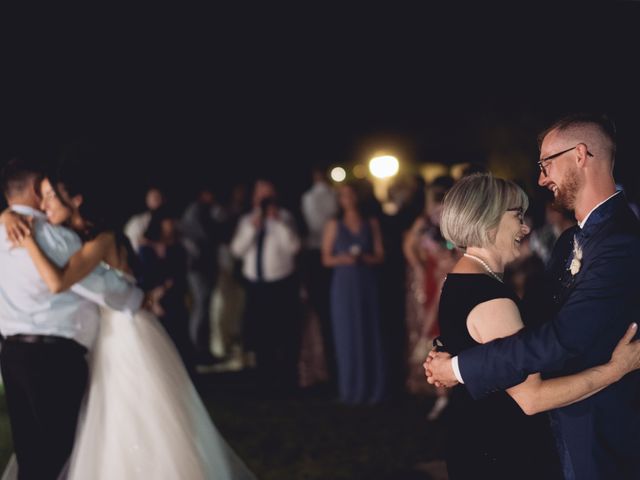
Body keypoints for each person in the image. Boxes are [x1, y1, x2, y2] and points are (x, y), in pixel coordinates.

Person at [3, 161, 256, 479]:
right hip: (99, 335)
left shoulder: (97, 240)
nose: (46, 204)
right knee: (81, 433)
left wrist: (17, 229)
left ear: (76, 201)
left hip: (118, 332)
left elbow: (66, 280)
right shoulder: (59, 236)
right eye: (45, 196)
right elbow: (85, 284)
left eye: (53, 196)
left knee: (129, 414)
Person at [426, 115, 640, 479]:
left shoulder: (621, 243)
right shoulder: (568, 242)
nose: (542, 178)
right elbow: (534, 326)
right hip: (549, 428)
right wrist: (457, 346)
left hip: (600, 429)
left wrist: (461, 368)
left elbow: (561, 337)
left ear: (581, 155)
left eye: (546, 164)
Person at [0, 158, 144, 479]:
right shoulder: (52, 237)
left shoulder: (2, 229)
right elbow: (101, 288)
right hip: (53, 358)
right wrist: (136, 297)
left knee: (32, 458)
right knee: (63, 458)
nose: (48, 197)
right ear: (36, 190)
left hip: (11, 356)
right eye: (46, 190)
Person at [230, 179, 301, 393]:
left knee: (283, 333)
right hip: (256, 284)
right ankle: (264, 379)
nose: (263, 198)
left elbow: (294, 247)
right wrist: (253, 228)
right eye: (260, 193)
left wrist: (277, 222)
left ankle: (286, 380)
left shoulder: (285, 218)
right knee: (260, 334)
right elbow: (237, 250)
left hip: (280, 282)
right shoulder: (246, 221)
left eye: (267, 193)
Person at [322, 182, 387, 404]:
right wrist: (344, 259)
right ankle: (350, 389)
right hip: (344, 284)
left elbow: (380, 255)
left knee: (369, 331)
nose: (347, 199)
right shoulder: (334, 224)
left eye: (350, 194)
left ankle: (374, 389)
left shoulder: (371, 222)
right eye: (343, 195)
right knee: (347, 334)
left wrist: (363, 258)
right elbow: (326, 258)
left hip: (366, 282)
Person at [123, 185, 164, 252]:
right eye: (155, 198)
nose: (158, 201)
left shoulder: (170, 220)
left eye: (160, 198)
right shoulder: (137, 221)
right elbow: (135, 242)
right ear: (147, 200)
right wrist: (155, 246)